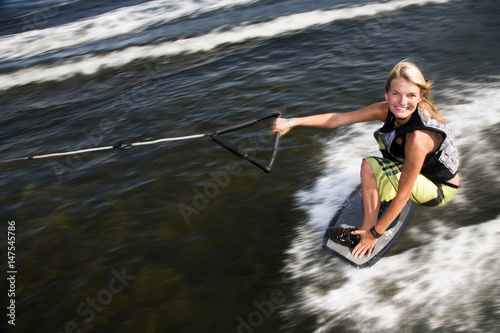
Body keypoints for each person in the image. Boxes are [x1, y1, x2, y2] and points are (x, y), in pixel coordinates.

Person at [272, 59, 460, 258]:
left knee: (369, 166)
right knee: (383, 140)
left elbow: (403, 196)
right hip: (417, 168)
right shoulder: (386, 110)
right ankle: (383, 200)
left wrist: (375, 233)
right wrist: (292, 122)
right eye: (396, 93)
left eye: (411, 95)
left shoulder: (418, 139)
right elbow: (339, 119)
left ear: (420, 97)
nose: (402, 102)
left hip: (439, 188)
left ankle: (364, 233)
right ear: (386, 94)